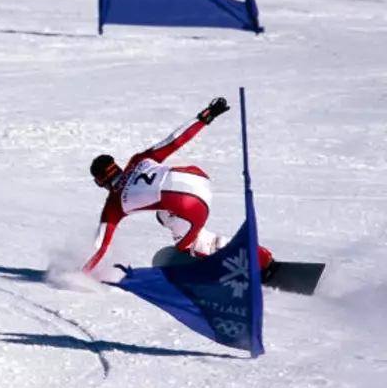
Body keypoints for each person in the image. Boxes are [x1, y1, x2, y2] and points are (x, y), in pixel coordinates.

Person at [82, 97, 274, 275]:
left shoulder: (113, 205)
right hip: (198, 178)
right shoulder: (138, 160)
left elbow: (100, 247)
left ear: (100, 182)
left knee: (188, 242)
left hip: (188, 203)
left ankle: (240, 265)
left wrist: (80, 274)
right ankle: (257, 254)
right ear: (116, 167)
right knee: (165, 212)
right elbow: (174, 140)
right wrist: (205, 116)